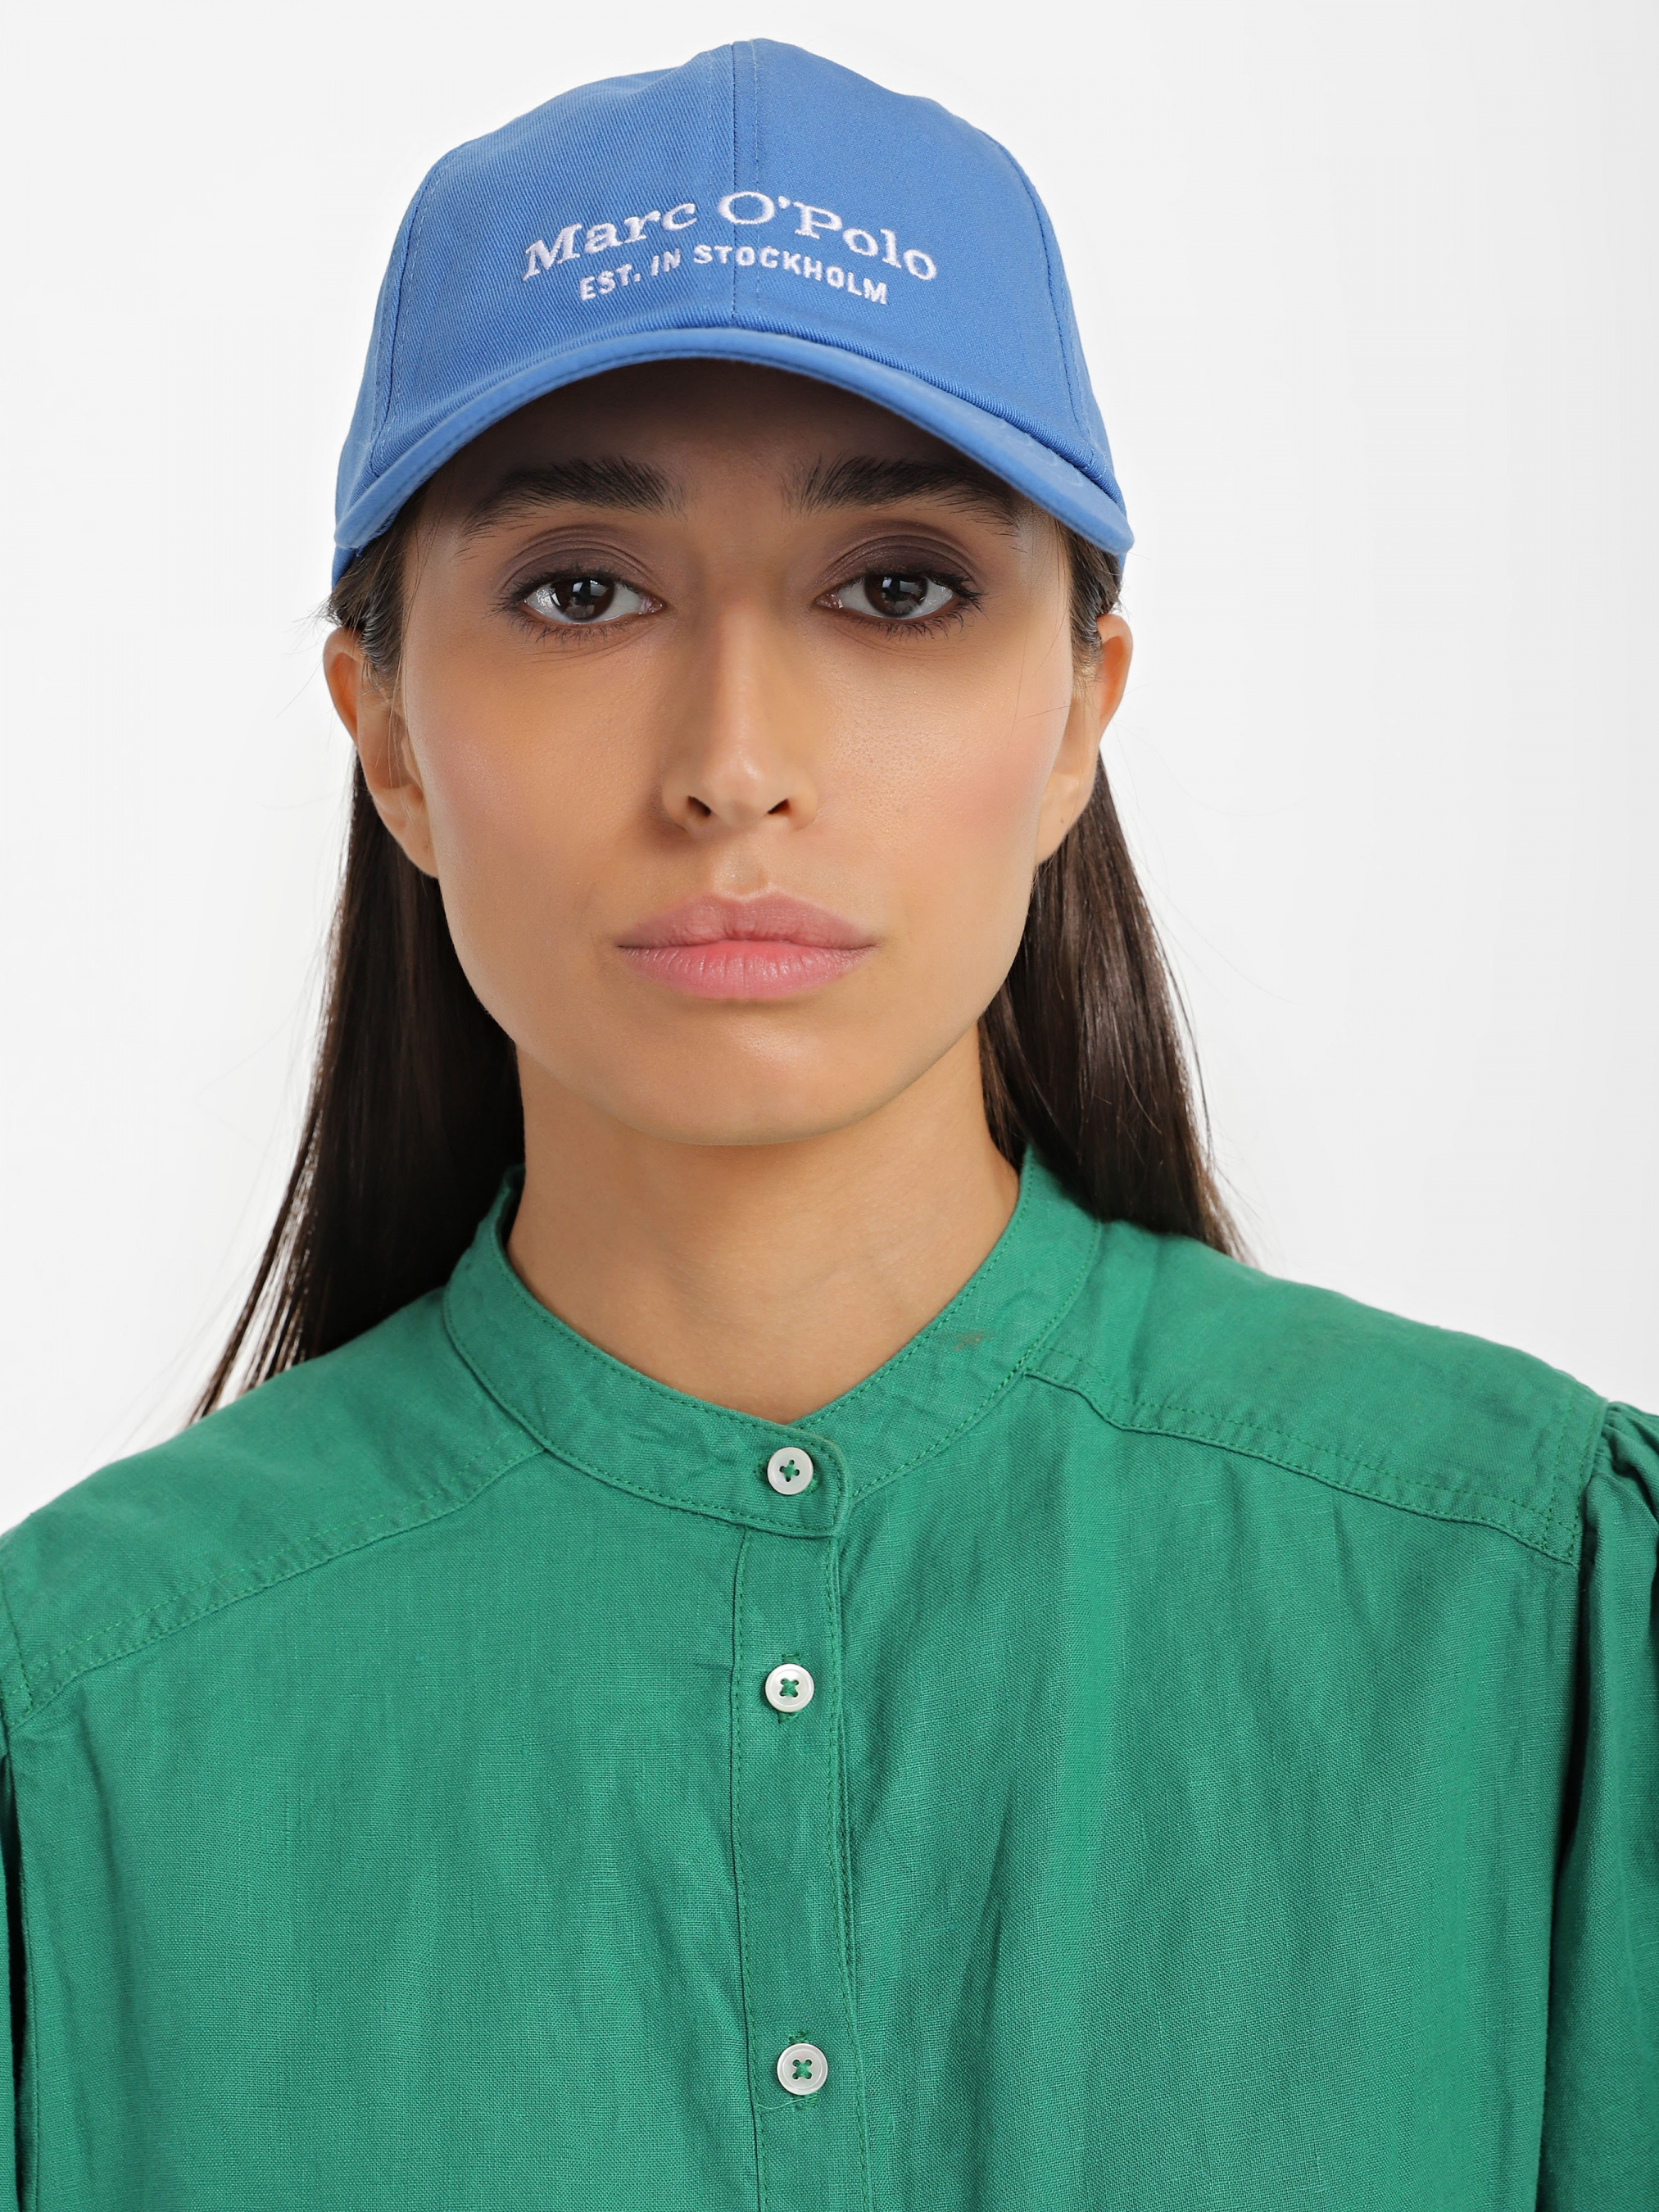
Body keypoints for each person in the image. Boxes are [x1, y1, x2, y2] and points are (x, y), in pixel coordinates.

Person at [0, 39, 1652, 2212]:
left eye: (896, 587)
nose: (735, 763)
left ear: (1076, 716)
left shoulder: (1531, 1611)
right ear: (385, 734)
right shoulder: (78, 1727)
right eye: (581, 589)